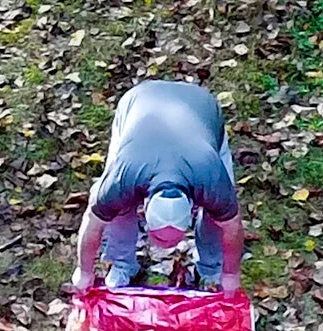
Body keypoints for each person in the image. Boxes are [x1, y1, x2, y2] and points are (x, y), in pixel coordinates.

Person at [70, 80, 244, 294]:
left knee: (217, 217)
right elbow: (93, 221)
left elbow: (232, 226)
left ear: (191, 208)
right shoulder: (122, 177)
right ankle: (121, 264)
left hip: (201, 108)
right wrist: (84, 271)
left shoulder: (212, 179)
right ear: (145, 205)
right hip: (138, 104)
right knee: (117, 208)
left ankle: (211, 269)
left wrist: (230, 275)